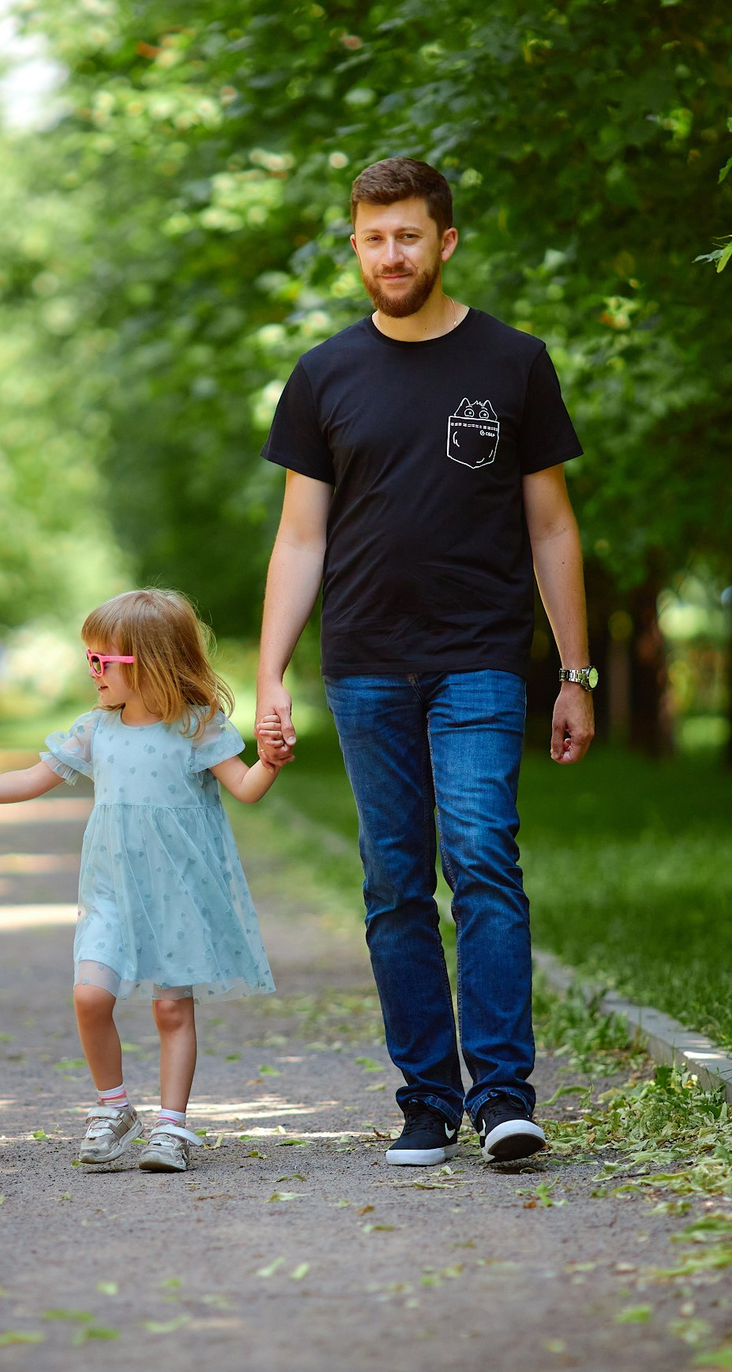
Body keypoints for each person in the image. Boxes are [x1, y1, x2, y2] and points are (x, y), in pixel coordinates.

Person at [255, 156, 595, 1171]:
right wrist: (270, 673)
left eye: (408, 235)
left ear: (445, 241)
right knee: (394, 881)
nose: (389, 254)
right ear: (353, 244)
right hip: (363, 664)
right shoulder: (323, 374)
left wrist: (575, 674)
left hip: (482, 657)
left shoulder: (512, 361)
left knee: (483, 859)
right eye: (372, 237)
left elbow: (551, 528)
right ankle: (424, 1101)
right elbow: (300, 540)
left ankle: (502, 1100)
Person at [0, 589, 283, 1173]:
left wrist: (271, 760)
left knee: (172, 1010)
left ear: (148, 662)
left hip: (176, 891)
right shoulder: (95, 729)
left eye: (102, 661)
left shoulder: (196, 726)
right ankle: (114, 1108)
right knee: (89, 996)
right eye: (89, 659)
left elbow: (246, 788)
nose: (91, 671)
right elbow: (32, 777)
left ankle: (172, 1128)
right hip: (111, 891)